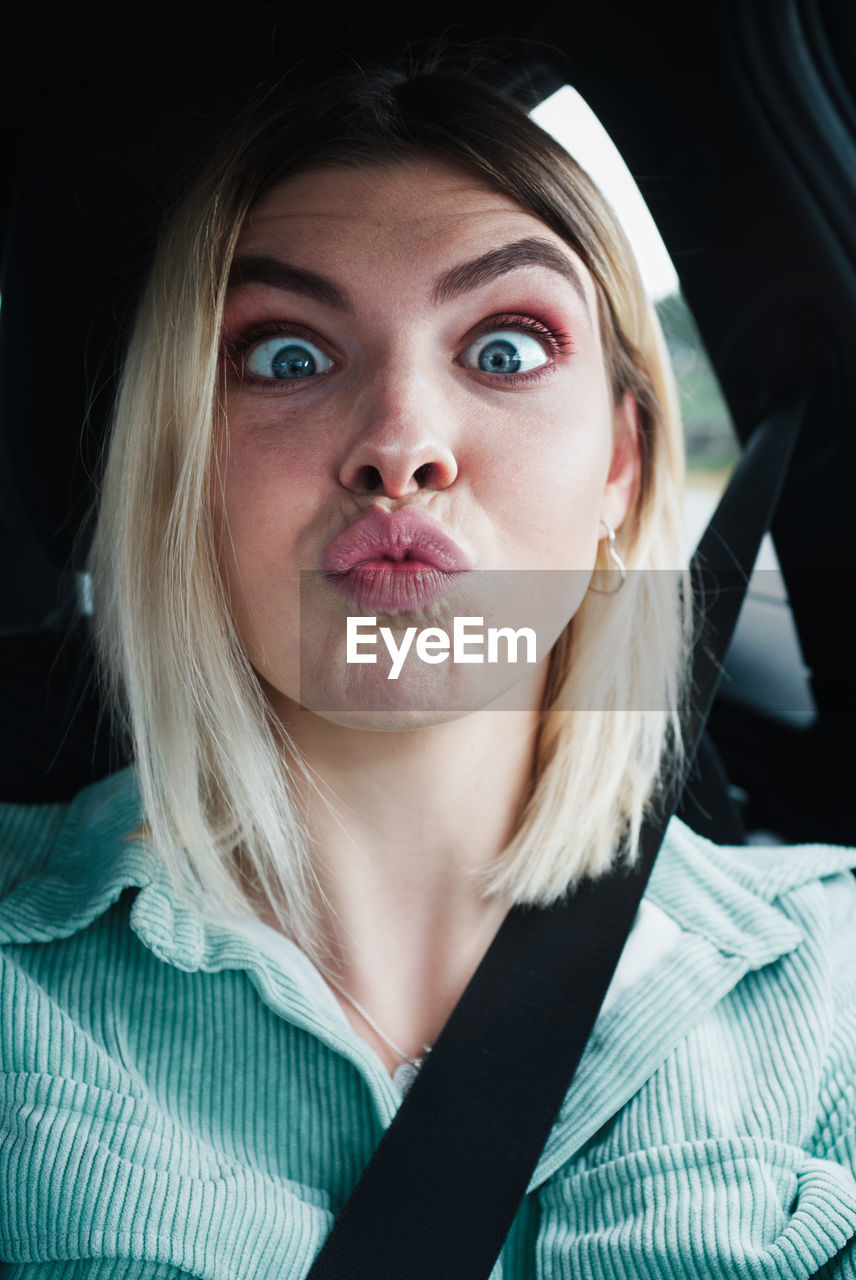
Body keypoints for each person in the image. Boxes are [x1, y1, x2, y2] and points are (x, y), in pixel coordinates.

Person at [1, 59, 855, 1279]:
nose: (400, 442)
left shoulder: (828, 984)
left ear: (620, 460)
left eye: (505, 348)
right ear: (181, 465)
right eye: (287, 356)